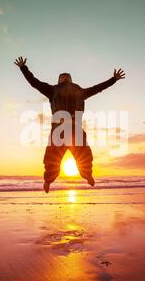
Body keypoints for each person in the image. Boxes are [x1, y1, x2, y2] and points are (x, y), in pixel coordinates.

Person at [14, 56, 125, 193]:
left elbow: (98, 88)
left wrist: (113, 79)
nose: (65, 78)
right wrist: (23, 68)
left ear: (71, 80)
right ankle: (48, 181)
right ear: (59, 80)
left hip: (75, 129)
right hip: (58, 130)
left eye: (68, 77)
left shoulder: (80, 91)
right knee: (51, 158)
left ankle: (87, 175)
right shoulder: (52, 90)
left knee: (84, 154)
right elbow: (34, 82)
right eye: (62, 77)